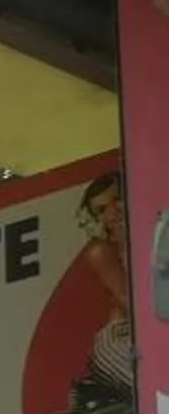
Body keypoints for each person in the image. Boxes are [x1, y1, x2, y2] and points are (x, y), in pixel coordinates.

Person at [78, 172, 134, 401]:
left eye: (117, 199)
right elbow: (130, 301)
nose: (113, 211)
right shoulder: (101, 252)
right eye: (101, 210)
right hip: (121, 338)